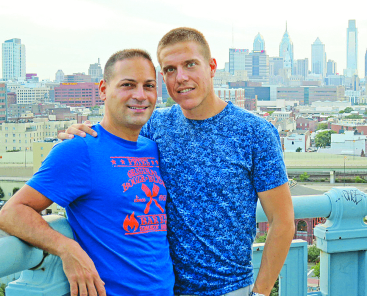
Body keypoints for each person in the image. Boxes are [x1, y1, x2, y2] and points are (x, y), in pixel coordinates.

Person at [61, 27, 295, 296]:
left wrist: (261, 292)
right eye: (170, 69)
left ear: (211, 67)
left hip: (230, 289)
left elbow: (282, 220)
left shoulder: (255, 132)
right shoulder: (154, 125)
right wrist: (79, 134)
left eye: (190, 65)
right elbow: (113, 137)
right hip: (164, 288)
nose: (181, 77)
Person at [0, 49, 175, 296]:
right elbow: (11, 212)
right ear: (103, 89)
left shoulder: (152, 148)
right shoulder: (78, 150)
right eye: (128, 85)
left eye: (149, 86)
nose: (140, 95)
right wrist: (66, 247)